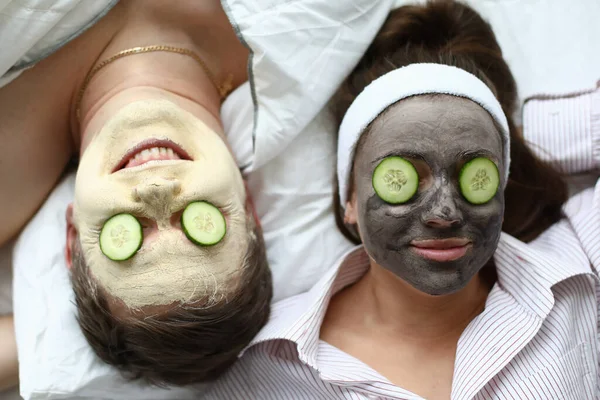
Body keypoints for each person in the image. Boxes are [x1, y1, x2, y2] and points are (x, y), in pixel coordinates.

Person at [203, 1, 600, 399]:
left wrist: (528, 133)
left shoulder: (581, 263)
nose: (444, 214)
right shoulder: (266, 369)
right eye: (404, 179)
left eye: (474, 176)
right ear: (351, 199)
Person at [0, 0, 271, 386]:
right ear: (249, 208)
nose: (155, 190)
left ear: (73, 236)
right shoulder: (291, 37)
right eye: (199, 219)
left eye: (127, 231)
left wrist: (32, 344)